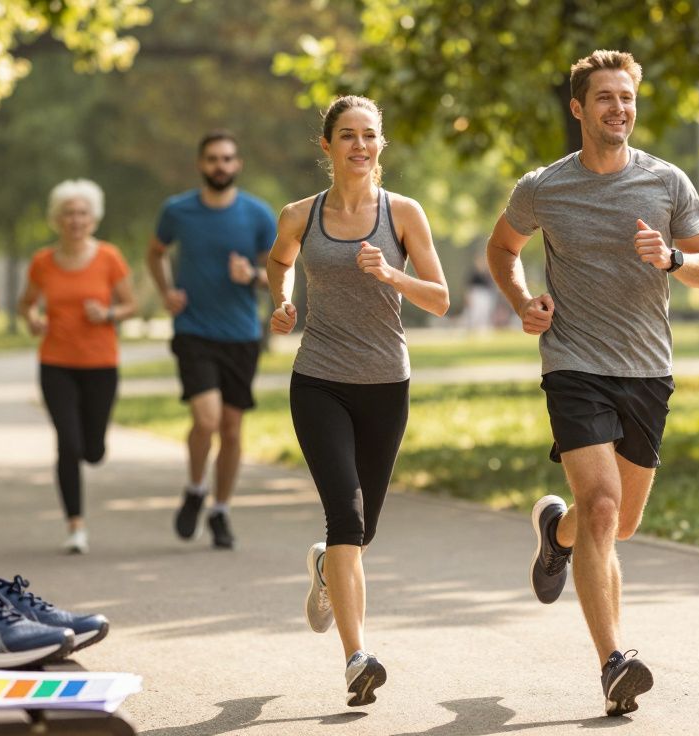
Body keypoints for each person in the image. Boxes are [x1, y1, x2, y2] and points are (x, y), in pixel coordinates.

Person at [486, 50, 699, 717]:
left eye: (627, 98)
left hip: (647, 369)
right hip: (573, 364)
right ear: (578, 109)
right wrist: (522, 300)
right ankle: (615, 662)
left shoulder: (668, 183)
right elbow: (503, 249)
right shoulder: (543, 187)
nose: (619, 109)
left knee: (619, 523)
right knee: (602, 507)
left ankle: (553, 533)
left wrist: (674, 258)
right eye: (605, 98)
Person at [267, 96, 449, 707]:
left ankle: (326, 569)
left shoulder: (403, 214)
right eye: (347, 135)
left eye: (369, 136)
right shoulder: (300, 214)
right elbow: (280, 260)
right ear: (328, 146)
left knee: (362, 530)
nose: (360, 146)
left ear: (381, 145)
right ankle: (357, 658)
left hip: (385, 385)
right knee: (345, 518)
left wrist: (392, 275)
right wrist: (283, 301)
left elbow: (441, 299)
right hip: (318, 381)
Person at [146, 131, 277, 550]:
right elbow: (155, 252)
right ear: (201, 164)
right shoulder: (177, 210)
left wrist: (253, 277)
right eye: (213, 159)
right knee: (206, 420)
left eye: (227, 159)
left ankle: (220, 509)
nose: (220, 165)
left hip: (241, 334)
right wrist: (166, 291)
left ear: (237, 165)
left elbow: (279, 271)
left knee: (233, 428)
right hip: (194, 330)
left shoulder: (257, 214)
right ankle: (195, 486)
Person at [18, 179, 136, 554]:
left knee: (93, 449)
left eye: (82, 213)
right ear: (57, 219)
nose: (75, 219)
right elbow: (26, 304)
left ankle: (95, 449)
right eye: (68, 213)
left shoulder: (109, 257)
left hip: (101, 363)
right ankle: (75, 526)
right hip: (56, 363)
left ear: (93, 218)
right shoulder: (42, 262)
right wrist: (33, 319)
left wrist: (108, 314)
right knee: (67, 445)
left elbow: (131, 305)